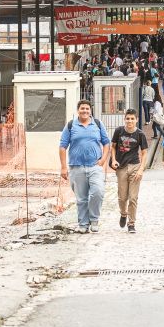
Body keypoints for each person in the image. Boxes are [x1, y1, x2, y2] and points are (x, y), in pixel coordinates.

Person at [59, 100, 110, 233]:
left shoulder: (98, 124)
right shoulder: (71, 125)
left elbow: (106, 143)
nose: (85, 111)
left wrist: (103, 160)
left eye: (87, 109)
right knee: (81, 198)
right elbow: (63, 146)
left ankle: (94, 220)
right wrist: (63, 167)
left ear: (90, 111)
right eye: (82, 109)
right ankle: (83, 224)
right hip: (76, 167)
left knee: (98, 192)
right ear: (78, 110)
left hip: (95, 166)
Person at [110, 109, 149, 233]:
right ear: (124, 119)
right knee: (122, 198)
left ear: (136, 120)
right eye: (128, 118)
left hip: (135, 166)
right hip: (121, 167)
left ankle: (131, 223)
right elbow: (113, 146)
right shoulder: (119, 131)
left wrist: (141, 169)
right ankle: (123, 213)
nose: (130, 121)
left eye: (132, 118)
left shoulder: (140, 134)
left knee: (133, 198)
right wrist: (114, 160)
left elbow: (144, 152)